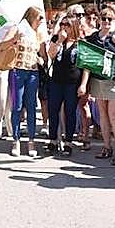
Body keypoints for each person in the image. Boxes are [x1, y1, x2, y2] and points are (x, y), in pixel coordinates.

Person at [79, 7, 115, 164]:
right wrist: (84, 84)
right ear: (99, 20)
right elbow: (87, 63)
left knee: (113, 115)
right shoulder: (93, 38)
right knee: (102, 115)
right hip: (98, 80)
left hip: (114, 80)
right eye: (104, 18)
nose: (106, 21)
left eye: (110, 19)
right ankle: (106, 147)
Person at [0, 7, 46, 158]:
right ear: (31, 17)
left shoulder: (38, 34)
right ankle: (15, 140)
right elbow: (1, 46)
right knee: (17, 106)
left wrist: (40, 60)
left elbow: (43, 57)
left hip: (33, 72)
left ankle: (31, 141)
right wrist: (14, 39)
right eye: (39, 17)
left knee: (31, 106)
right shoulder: (17, 28)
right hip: (18, 71)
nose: (41, 21)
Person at [45, 16, 82, 154]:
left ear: (73, 26)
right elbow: (51, 55)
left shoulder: (80, 43)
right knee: (53, 109)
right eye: (62, 24)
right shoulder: (56, 39)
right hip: (56, 80)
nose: (64, 26)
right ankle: (53, 140)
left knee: (70, 112)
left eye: (67, 24)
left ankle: (68, 142)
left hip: (72, 82)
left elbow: (85, 67)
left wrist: (83, 85)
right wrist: (60, 40)